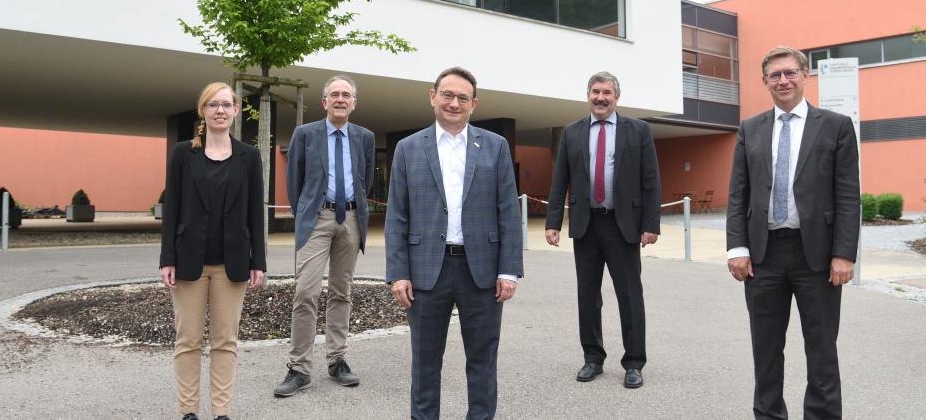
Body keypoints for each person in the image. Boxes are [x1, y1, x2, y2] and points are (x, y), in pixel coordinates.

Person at [726, 46, 860, 419]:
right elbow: (738, 193)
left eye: (790, 73)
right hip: (763, 257)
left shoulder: (835, 126)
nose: (782, 80)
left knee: (821, 350)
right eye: (775, 75)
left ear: (805, 75)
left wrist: (844, 253)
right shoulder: (750, 129)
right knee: (765, 351)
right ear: (764, 82)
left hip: (815, 258)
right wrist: (736, 247)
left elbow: (848, 194)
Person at [385, 67, 522, 420]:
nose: (454, 103)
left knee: (482, 360)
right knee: (425, 362)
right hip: (426, 271)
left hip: (483, 272)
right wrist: (398, 273)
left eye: (462, 97)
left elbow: (508, 210)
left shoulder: (495, 146)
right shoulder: (408, 148)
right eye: (447, 94)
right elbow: (397, 215)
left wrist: (509, 270)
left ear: (473, 104)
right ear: (433, 97)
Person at [545, 71, 661, 389]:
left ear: (616, 97)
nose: (600, 97)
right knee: (587, 296)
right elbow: (560, 180)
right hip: (586, 225)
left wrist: (651, 225)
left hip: (623, 226)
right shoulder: (572, 132)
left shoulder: (638, 130)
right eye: (595, 91)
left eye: (607, 92)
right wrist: (553, 222)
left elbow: (651, 180)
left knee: (629, 296)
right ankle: (592, 359)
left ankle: (634, 362)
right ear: (588, 95)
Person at [159, 82, 266, 420]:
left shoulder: (249, 157)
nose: (220, 110)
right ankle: (189, 411)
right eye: (212, 105)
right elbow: (171, 209)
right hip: (188, 260)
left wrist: (258, 261)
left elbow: (255, 212)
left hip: (232, 264)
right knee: (188, 341)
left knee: (225, 342)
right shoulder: (182, 154)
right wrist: (167, 258)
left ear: (235, 111)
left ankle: (221, 412)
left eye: (226, 105)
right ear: (202, 111)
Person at [274, 75, 376, 397]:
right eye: (335, 94)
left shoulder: (365, 137)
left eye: (346, 95)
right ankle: (299, 368)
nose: (341, 99)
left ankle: (337, 360)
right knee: (305, 292)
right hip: (317, 219)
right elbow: (295, 180)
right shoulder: (305, 134)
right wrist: (306, 211)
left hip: (351, 219)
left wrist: (353, 208)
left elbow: (366, 178)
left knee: (341, 291)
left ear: (354, 102)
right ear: (325, 102)